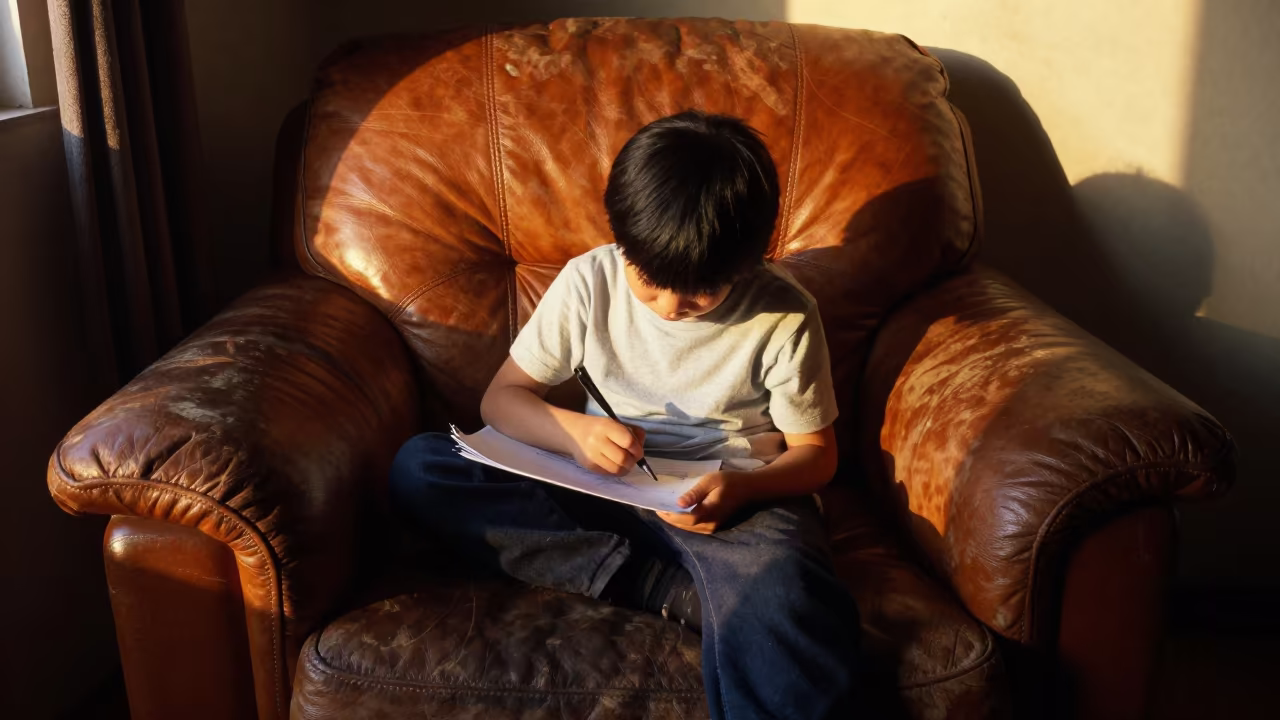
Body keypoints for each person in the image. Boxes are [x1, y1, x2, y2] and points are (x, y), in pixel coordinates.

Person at [390, 110, 865, 719]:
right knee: (423, 467)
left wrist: (744, 488)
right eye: (649, 280)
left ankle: (709, 589)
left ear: (748, 263)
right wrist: (574, 431)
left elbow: (816, 456)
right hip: (603, 483)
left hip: (730, 502)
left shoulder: (784, 314)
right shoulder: (588, 282)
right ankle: (661, 589)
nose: (670, 306)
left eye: (700, 291)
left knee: (787, 596)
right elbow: (500, 400)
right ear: (620, 237)